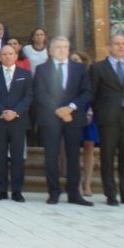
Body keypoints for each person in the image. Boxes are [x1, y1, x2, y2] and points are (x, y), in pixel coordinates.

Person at [33, 37, 93, 206]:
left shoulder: (80, 69)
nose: (62, 50)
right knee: (51, 156)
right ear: (50, 51)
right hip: (50, 118)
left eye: (65, 47)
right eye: (58, 47)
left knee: (73, 156)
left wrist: (70, 107)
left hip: (73, 117)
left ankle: (74, 194)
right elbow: (40, 92)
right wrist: (58, 110)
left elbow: (87, 92)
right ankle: (53, 192)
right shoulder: (42, 69)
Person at [0, 45, 33, 203]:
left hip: (18, 121)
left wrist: (15, 112)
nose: (7, 56)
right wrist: (2, 112)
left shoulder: (25, 74)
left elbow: (28, 96)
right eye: (3, 54)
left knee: (18, 157)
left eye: (10, 54)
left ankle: (17, 191)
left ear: (16, 55)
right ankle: (1, 190)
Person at [88, 33, 124, 206]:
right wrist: (99, 112)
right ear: (109, 47)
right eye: (116, 44)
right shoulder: (98, 68)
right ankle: (110, 194)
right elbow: (92, 94)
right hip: (108, 119)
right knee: (108, 157)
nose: (120, 46)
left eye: (123, 43)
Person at [71, 51, 98, 197]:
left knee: (89, 147)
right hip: (72, 111)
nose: (74, 61)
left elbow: (96, 93)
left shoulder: (91, 74)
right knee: (72, 148)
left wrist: (92, 110)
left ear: (83, 61)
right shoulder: (67, 74)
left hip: (89, 110)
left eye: (77, 59)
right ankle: (76, 183)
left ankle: (87, 183)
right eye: (72, 59)